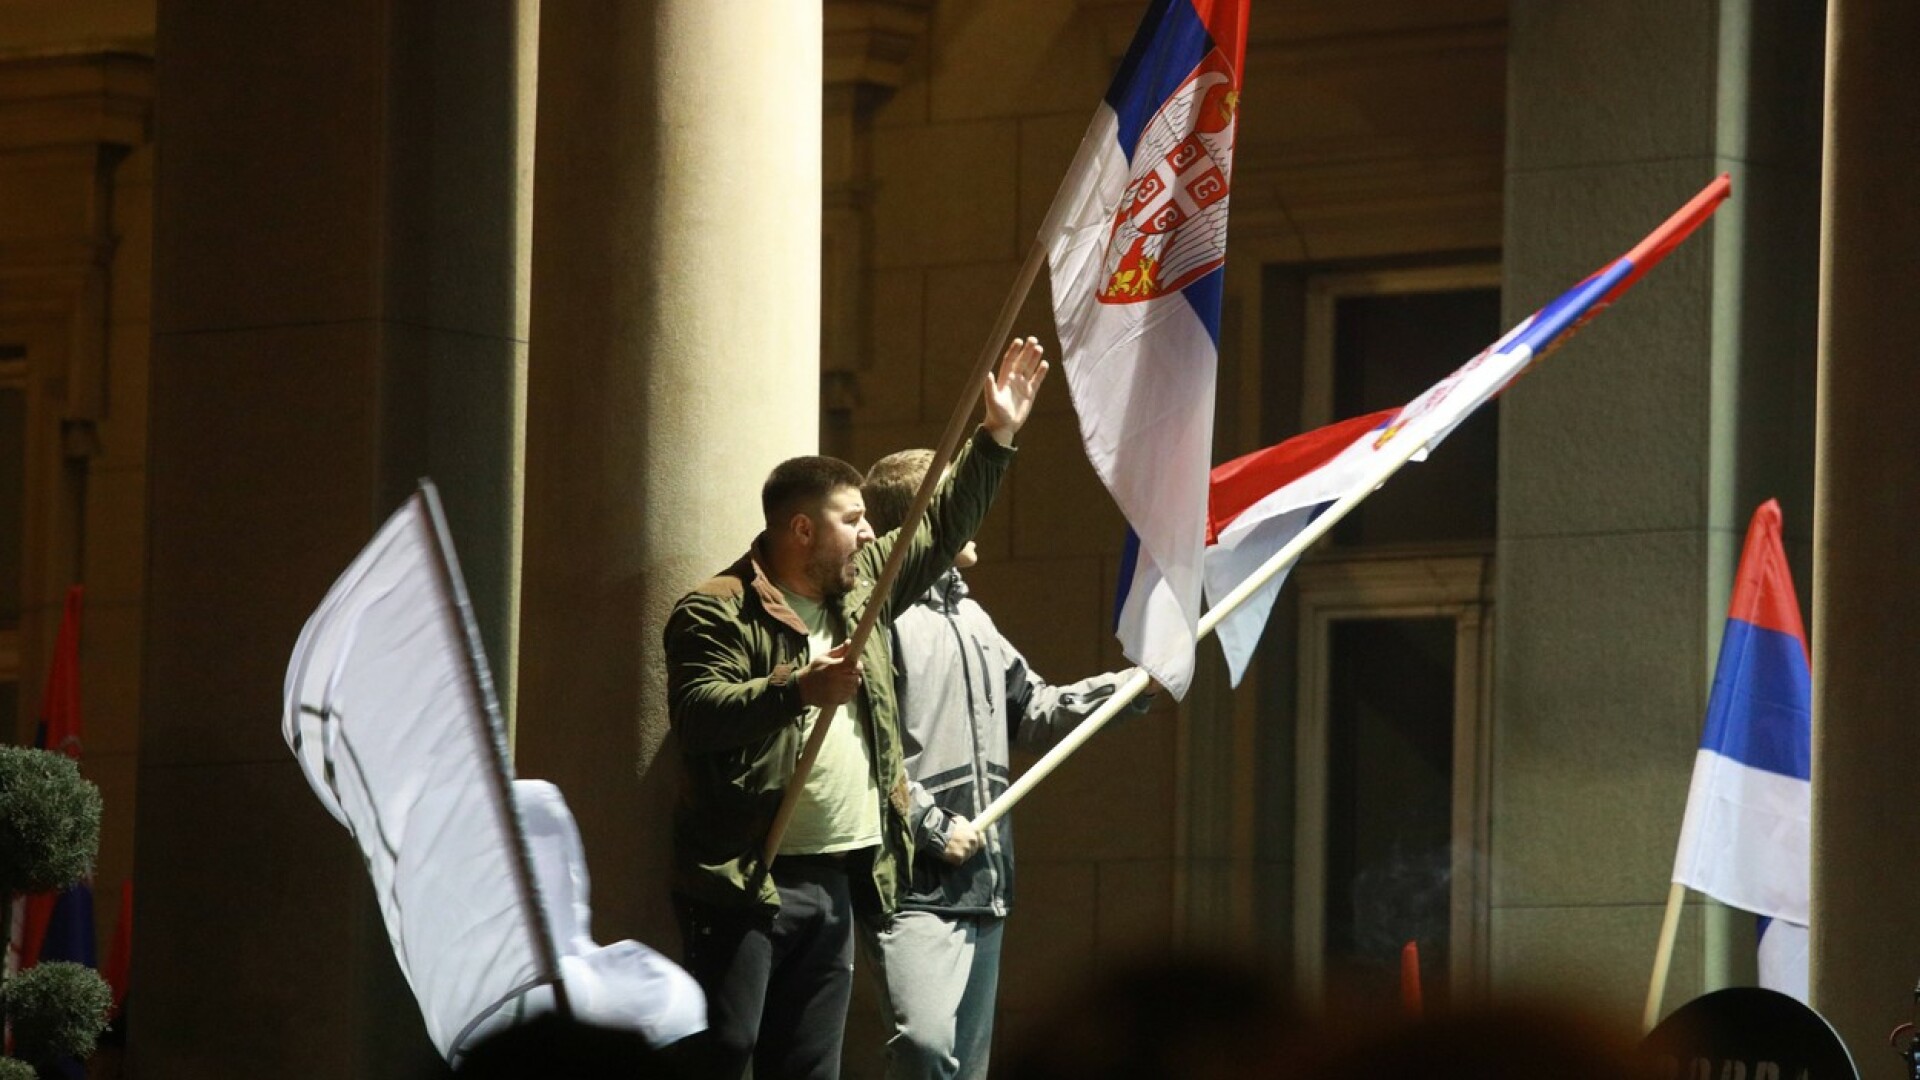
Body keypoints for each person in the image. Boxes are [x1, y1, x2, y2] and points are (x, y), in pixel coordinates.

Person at [661, 337, 1049, 1080]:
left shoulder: (863, 588)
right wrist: (798, 688)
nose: (869, 533)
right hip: (751, 876)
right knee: (730, 1052)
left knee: (812, 1065)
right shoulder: (716, 610)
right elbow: (700, 714)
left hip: (841, 873)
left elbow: (937, 529)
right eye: (852, 520)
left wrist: (996, 438)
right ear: (803, 530)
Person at [858, 448, 1155, 1080]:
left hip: (985, 883)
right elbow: (864, 754)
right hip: (913, 884)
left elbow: (1034, 709)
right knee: (925, 1046)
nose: (979, 518)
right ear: (928, 516)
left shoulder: (973, 618)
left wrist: (1131, 689)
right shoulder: (880, 622)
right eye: (962, 499)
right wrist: (934, 826)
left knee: (966, 1070)